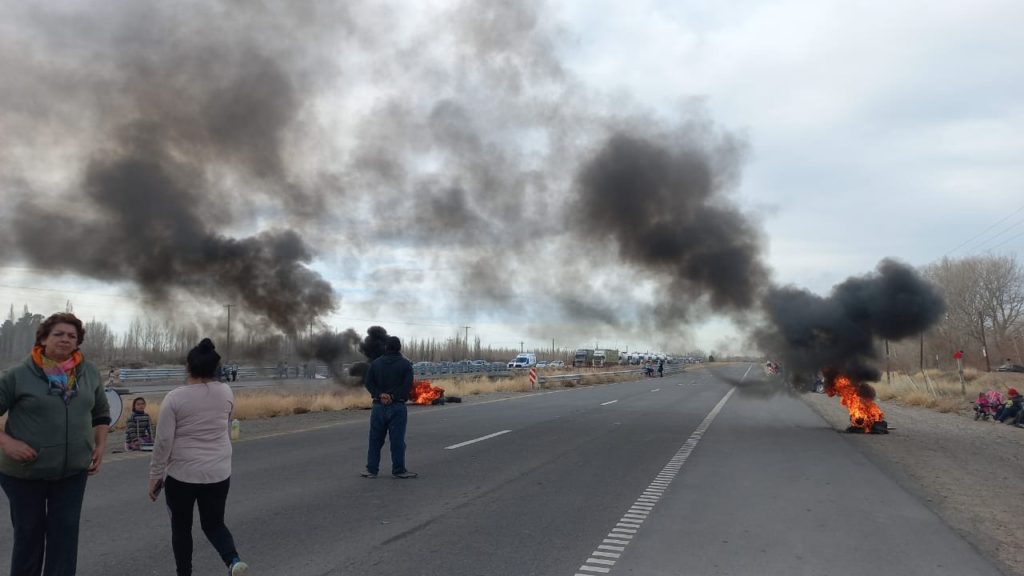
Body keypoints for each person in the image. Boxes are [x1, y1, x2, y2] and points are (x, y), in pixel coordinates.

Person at [0, 312, 110, 576]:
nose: (65, 339)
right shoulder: (18, 375)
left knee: (65, 537)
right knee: (29, 536)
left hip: (72, 472)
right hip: (24, 472)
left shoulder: (89, 372)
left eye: (72, 336)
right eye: (58, 334)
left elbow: (101, 414)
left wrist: (100, 446)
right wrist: (7, 443)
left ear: (78, 341)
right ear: (44, 338)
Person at [149, 338, 249, 576]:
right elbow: (226, 421)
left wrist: (155, 475)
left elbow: (163, 442)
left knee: (181, 528)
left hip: (182, 475)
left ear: (188, 367)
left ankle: (184, 573)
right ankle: (233, 561)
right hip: (217, 472)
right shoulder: (226, 391)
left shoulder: (174, 398)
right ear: (215, 368)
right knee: (214, 524)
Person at [362, 336, 417, 479]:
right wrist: (392, 396)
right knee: (397, 440)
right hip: (397, 406)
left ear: (386, 348)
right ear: (399, 348)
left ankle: (371, 470)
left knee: (375, 439)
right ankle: (399, 470)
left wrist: (380, 395)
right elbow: (407, 386)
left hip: (378, 407)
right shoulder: (406, 365)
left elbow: (368, 382)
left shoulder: (376, 364)